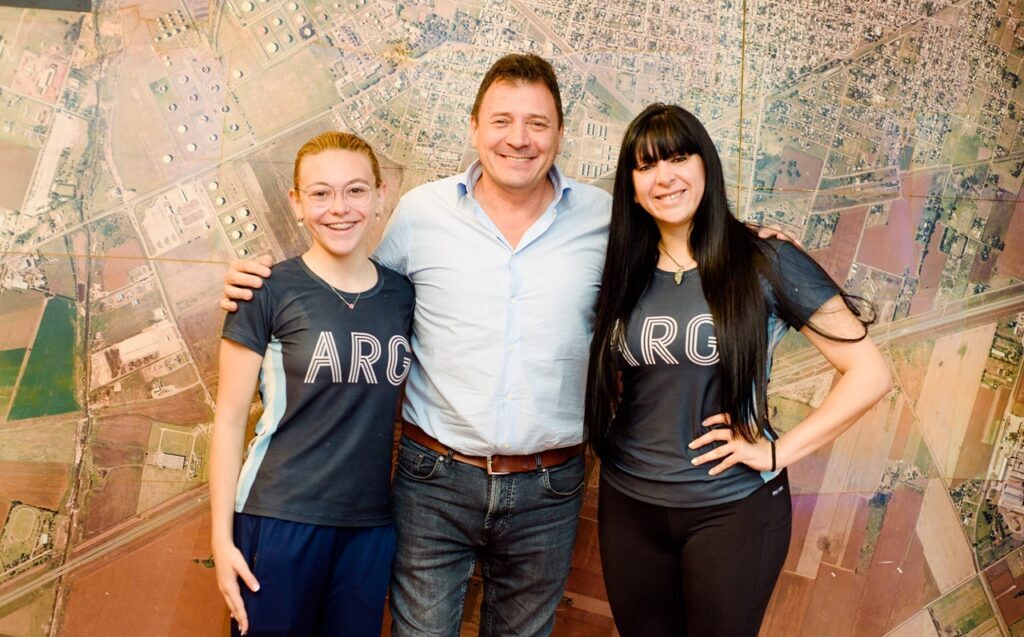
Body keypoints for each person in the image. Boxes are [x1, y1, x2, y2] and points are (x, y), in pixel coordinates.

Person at [220, 55, 799, 637]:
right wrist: (262, 282)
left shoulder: (609, 221)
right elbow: (355, 285)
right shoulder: (423, 212)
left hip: (550, 487)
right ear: (474, 127)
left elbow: (686, 238)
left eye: (537, 123)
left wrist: (757, 243)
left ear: (560, 134)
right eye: (501, 121)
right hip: (432, 481)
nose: (518, 139)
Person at [584, 103, 892, 637]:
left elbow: (870, 373)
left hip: (732, 511)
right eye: (647, 165)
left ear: (707, 166)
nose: (665, 176)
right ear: (631, 186)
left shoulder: (764, 260)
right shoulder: (619, 268)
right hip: (628, 504)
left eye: (680, 158)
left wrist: (776, 452)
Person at [209, 131, 414, 637]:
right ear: (297, 203)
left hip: (369, 528)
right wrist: (221, 538)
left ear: (380, 196)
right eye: (320, 193)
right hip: (278, 518)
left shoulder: (403, 296)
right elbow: (230, 419)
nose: (338, 208)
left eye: (356, 191)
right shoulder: (264, 290)